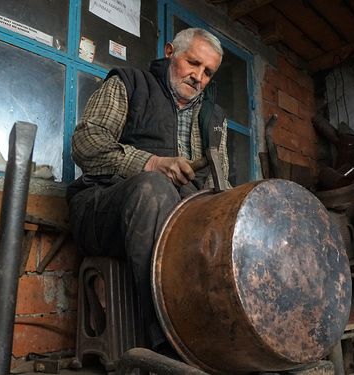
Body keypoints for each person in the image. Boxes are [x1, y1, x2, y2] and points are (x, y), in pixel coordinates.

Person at [66, 28, 231, 351]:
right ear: (170, 52)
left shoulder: (214, 119)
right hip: (104, 210)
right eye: (193, 63)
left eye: (208, 72)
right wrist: (151, 163)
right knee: (155, 189)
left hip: (179, 217)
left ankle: (222, 339)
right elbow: (86, 143)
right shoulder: (129, 83)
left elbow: (217, 181)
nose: (198, 77)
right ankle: (166, 342)